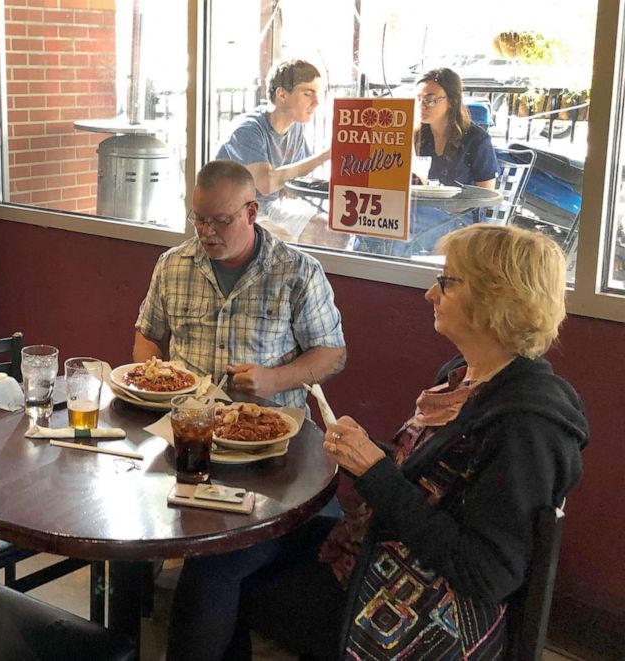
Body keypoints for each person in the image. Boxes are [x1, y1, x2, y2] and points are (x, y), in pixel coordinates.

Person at [166, 224, 587, 660]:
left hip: (418, 609)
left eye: (448, 281)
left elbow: (486, 574)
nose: (431, 293)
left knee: (224, 577)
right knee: (222, 555)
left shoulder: (526, 426)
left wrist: (374, 471)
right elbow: (430, 480)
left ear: (496, 298)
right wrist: (367, 454)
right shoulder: (464, 376)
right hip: (376, 546)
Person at [133, 159, 346, 411]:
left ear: (252, 213)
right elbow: (149, 336)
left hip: (269, 425)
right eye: (199, 219)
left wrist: (274, 380)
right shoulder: (173, 264)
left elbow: (332, 354)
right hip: (188, 422)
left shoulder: (298, 272)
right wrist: (152, 388)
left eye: (220, 221)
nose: (206, 232)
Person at [356, 67, 499, 257]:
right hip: (422, 210)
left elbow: (485, 195)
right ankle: (367, 272)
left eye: (430, 99)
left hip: (461, 220)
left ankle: (384, 275)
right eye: (418, 99)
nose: (422, 105)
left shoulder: (476, 139)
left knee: (400, 223)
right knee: (368, 221)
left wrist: (444, 203)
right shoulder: (418, 136)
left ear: (452, 101)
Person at [215, 59, 331, 238]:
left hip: (266, 209)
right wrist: (326, 155)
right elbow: (266, 183)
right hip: (229, 214)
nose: (316, 102)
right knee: (283, 239)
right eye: (308, 93)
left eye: (318, 94)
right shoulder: (248, 129)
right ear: (282, 95)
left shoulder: (296, 128)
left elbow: (297, 176)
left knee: (331, 232)